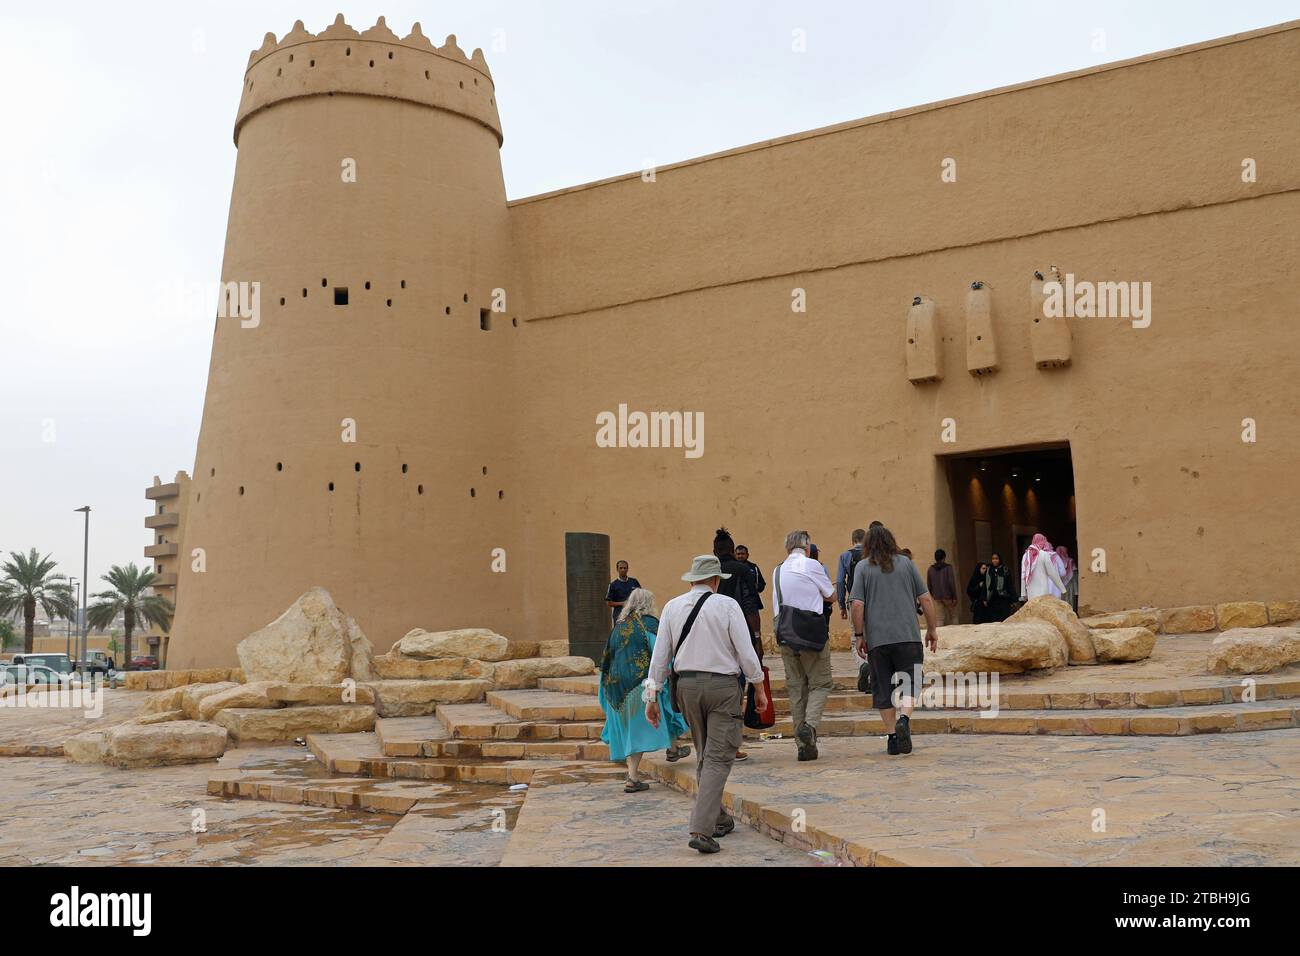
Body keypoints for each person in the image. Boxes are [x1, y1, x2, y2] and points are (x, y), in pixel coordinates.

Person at [645, 555, 767, 855]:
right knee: (718, 757)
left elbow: (659, 657)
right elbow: (746, 652)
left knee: (705, 753)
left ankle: (720, 817)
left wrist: (652, 696)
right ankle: (702, 828)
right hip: (722, 688)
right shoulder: (727, 606)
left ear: (691, 580)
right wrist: (759, 686)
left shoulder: (672, 607)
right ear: (716, 581)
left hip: (686, 688)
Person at [850, 524, 939, 756]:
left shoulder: (862, 567)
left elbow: (857, 604)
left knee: (882, 688)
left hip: (878, 640)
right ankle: (904, 720)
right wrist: (931, 629)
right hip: (908, 636)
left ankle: (891, 737)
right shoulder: (906, 564)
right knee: (912, 681)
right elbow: (926, 599)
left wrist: (859, 635)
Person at [599, 588, 690, 792]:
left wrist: (604, 689)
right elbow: (661, 656)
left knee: (658, 712)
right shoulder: (650, 625)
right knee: (641, 728)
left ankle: (673, 748)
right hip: (641, 687)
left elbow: (606, 660)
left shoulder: (618, 627)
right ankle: (632, 777)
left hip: (615, 687)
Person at [772, 531, 835, 761]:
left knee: (796, 688)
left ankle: (803, 746)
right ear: (807, 548)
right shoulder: (812, 565)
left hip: (784, 631)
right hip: (810, 632)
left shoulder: (778, 569)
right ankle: (809, 725)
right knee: (821, 683)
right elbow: (831, 595)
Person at [733, 544, 767, 651]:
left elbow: (762, 584)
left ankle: (759, 661)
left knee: (755, 634)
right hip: (736, 606)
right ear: (734, 555)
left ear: (747, 555)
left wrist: (757, 587)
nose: (740, 556)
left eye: (742, 554)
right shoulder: (732, 568)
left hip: (751, 606)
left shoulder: (754, 568)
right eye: (738, 554)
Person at [1021, 533, 1067, 601]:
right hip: (1043, 591)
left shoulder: (1026, 556)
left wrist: (1023, 593)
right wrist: (1063, 589)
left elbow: (1023, 575)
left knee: (1034, 610)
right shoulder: (1044, 555)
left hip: (1031, 592)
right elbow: (1052, 573)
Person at [835, 529, 867, 622]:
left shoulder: (845, 556)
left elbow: (840, 582)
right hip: (871, 600)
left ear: (852, 541)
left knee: (855, 634)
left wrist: (842, 606)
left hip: (853, 599)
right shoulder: (872, 555)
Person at [926, 549, 959, 626]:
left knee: (940, 618)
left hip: (937, 596)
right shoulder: (948, 568)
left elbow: (929, 584)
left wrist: (933, 594)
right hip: (948, 596)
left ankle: (940, 636)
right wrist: (954, 597)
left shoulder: (930, 569)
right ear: (944, 557)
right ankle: (956, 633)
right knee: (953, 616)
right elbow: (951, 583)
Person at [605, 560, 641, 626]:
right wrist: (623, 603)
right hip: (619, 615)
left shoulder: (634, 582)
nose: (623, 570)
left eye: (625, 568)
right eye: (621, 568)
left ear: (627, 569)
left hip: (633, 613)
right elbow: (609, 603)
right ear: (617, 569)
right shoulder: (613, 585)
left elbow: (641, 596)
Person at [985, 552, 1015, 621]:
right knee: (994, 621)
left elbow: (1009, 585)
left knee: (1004, 620)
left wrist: (1014, 599)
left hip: (1003, 599)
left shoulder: (1005, 570)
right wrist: (984, 598)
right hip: (992, 599)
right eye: (993, 559)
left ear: (1000, 559)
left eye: (996, 559)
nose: (994, 560)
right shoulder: (989, 570)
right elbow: (986, 585)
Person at [1056, 545, 1078, 611]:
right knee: (1069, 600)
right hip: (1069, 585)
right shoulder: (1071, 561)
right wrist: (1076, 590)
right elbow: (1074, 575)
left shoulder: (1054, 562)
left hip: (1058, 585)